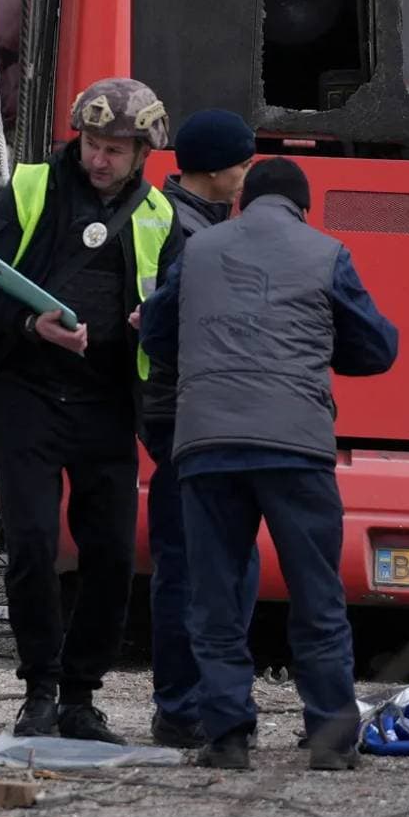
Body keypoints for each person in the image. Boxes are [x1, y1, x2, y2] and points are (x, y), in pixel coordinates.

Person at [140, 157, 399, 772]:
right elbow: (378, 347)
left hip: (208, 446)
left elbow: (154, 334)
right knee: (316, 594)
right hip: (296, 448)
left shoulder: (198, 251)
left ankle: (227, 735)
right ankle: (332, 740)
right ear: (302, 208)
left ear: (243, 203)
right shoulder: (325, 251)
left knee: (216, 595)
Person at [0, 77, 181, 742]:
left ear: (142, 154)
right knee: (30, 545)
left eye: (117, 149)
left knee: (111, 553)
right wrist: (29, 325)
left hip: (108, 402)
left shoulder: (159, 217)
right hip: (28, 395)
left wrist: (151, 323)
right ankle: (40, 691)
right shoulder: (30, 189)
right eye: (94, 144)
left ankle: (81, 696)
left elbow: (177, 306)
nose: (101, 159)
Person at [139, 108, 260, 749]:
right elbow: (168, 329)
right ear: (215, 169)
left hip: (184, 411)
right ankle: (184, 708)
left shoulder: (196, 221)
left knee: (205, 563)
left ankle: (190, 704)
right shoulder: (186, 231)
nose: (246, 175)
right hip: (184, 413)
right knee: (195, 565)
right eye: (242, 163)